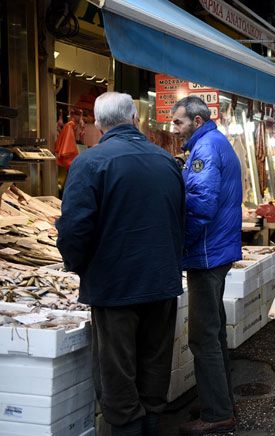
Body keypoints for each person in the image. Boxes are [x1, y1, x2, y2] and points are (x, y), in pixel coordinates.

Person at [56, 92, 184, 436]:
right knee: (154, 362)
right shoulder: (167, 161)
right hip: (161, 281)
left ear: (98, 124)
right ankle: (152, 424)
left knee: (118, 372)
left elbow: (73, 228)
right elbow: (180, 219)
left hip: (114, 287)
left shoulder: (90, 162)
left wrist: (77, 266)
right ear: (135, 119)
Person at [172, 96, 243, 435]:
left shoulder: (205, 149)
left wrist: (179, 243)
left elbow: (200, 206)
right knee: (213, 330)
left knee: (202, 336)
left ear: (196, 122)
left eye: (178, 122)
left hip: (205, 253)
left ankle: (217, 414)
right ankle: (219, 399)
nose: (174, 129)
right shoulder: (215, 143)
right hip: (216, 251)